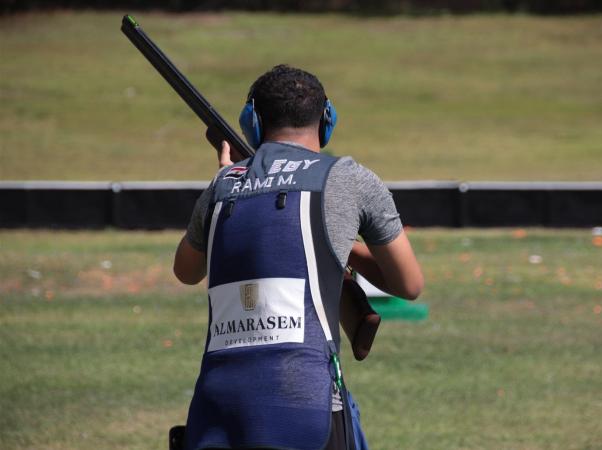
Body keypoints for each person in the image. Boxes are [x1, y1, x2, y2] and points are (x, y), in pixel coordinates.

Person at [173, 64, 423, 450]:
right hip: (310, 405)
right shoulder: (350, 178)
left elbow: (186, 270)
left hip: (218, 408)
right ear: (327, 120)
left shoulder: (224, 184)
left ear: (251, 122)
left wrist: (229, 181)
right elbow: (409, 284)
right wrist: (340, 244)